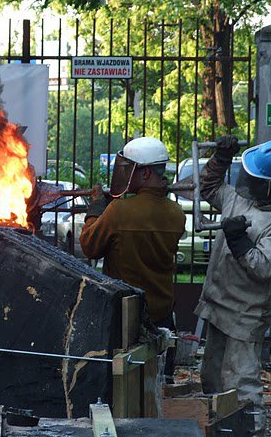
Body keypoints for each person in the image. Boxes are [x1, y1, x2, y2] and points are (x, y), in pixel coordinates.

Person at [195, 136, 271, 436]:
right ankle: (221, 431)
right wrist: (220, 159)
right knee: (212, 380)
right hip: (219, 304)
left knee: (241, 384)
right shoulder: (244, 199)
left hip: (246, 314)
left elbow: (264, 268)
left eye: (254, 179)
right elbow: (210, 187)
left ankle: (252, 432)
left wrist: (240, 241)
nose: (246, 183)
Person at [79, 136, 185, 380]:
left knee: (121, 386)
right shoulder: (176, 213)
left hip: (126, 318)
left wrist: (96, 209)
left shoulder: (119, 212)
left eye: (129, 169)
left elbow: (89, 246)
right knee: (158, 387)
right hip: (161, 314)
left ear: (145, 173)